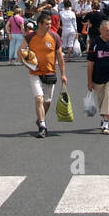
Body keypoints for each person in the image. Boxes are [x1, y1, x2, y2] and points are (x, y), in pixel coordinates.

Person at [23, 10, 66, 138]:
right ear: (39, 24)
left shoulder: (54, 37)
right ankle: (42, 125)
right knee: (39, 98)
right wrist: (27, 63)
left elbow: (59, 56)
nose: (49, 26)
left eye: (50, 23)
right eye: (47, 24)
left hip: (50, 73)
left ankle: (40, 118)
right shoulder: (30, 37)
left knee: (47, 101)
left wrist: (63, 74)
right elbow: (22, 51)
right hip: (35, 73)